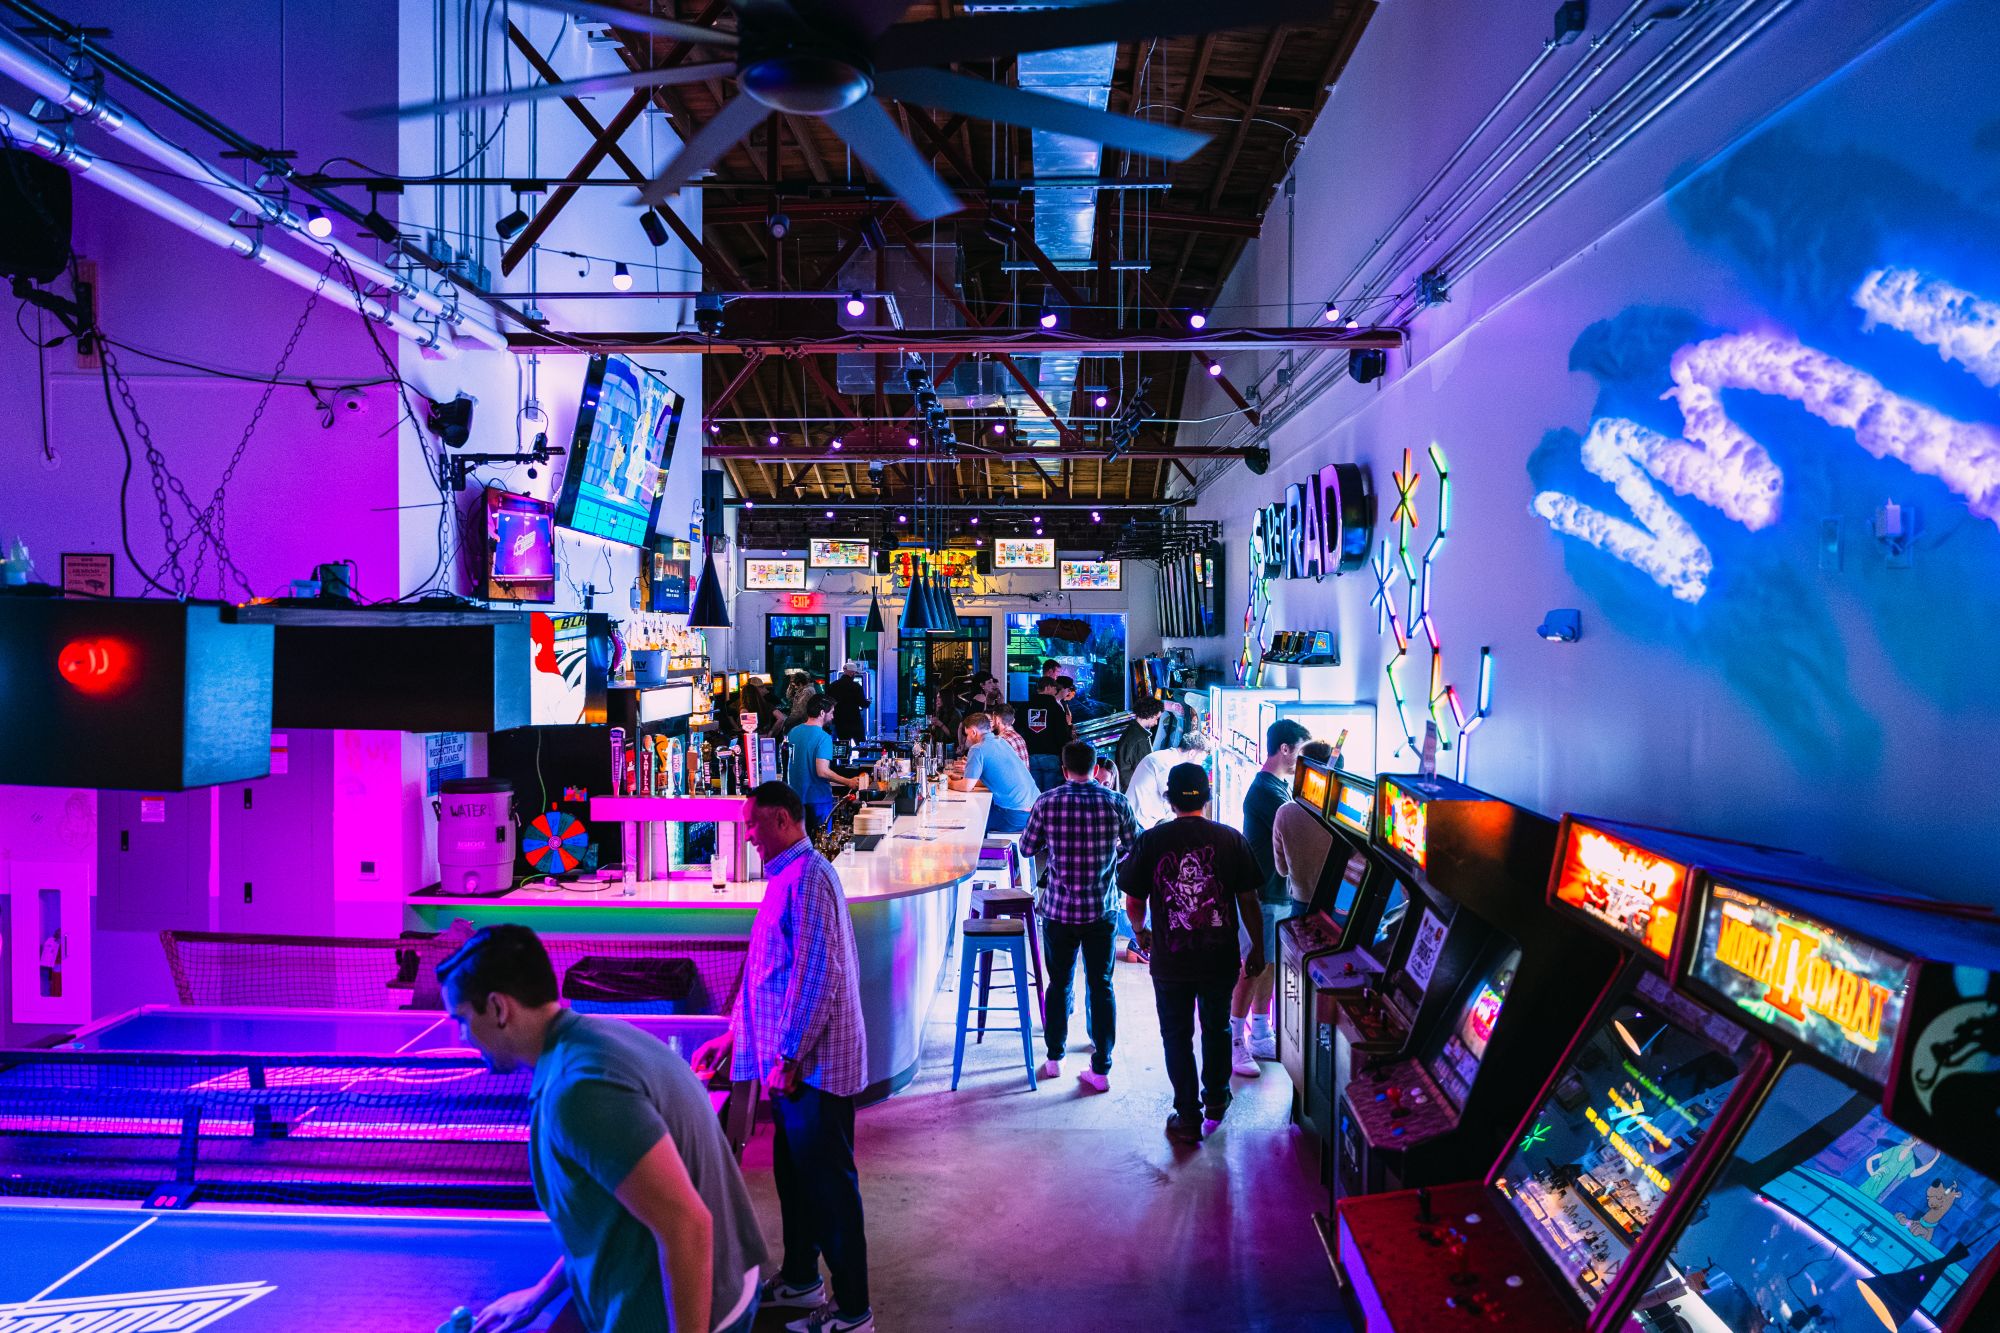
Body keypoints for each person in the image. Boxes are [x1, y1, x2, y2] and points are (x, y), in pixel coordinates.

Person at [441, 925, 768, 1333]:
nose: (462, 1036)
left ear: (498, 1008)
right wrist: (539, 1294)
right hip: (730, 1281)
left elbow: (687, 1225)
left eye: (462, 1019)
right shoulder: (599, 1036)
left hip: (701, 1311)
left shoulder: (578, 1090)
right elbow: (614, 1207)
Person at [692, 784, 874, 1333]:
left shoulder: (811, 877)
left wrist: (790, 1055)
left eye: (750, 824)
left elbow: (819, 974)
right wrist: (735, 1036)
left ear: (777, 820)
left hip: (814, 1067)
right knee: (794, 1179)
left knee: (828, 1187)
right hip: (790, 1063)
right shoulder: (786, 876)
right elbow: (769, 972)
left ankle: (853, 1312)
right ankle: (801, 1280)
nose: (746, 834)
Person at [1120, 764, 1267, 1144]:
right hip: (1220, 959)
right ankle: (1216, 1102)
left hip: (1170, 960)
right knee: (1216, 1029)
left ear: (1168, 799)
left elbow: (1134, 901)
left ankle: (1187, 1113)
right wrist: (1259, 948)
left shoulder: (1151, 841)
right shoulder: (1231, 839)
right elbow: (1249, 899)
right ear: (1208, 795)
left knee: (1176, 1034)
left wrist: (1140, 933)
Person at [1019, 740, 1141, 1091]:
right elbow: (1136, 844)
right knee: (1101, 985)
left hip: (1058, 909)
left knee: (1059, 983)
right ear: (1095, 769)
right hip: (1102, 909)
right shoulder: (1116, 802)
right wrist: (1112, 853)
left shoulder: (1048, 801)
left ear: (1063, 768)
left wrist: (1052, 842)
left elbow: (1028, 847)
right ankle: (1101, 1066)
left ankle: (1055, 1057)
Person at [1232, 718, 1312, 1077]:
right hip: (1264, 893)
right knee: (1253, 965)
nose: (1302, 761)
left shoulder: (1276, 787)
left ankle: (1261, 1028)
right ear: (1285, 749)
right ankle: (1235, 1038)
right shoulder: (1268, 791)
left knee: (1270, 965)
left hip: (1278, 893)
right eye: (1300, 752)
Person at [784, 695, 864, 835]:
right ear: (822, 713)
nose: (833, 717)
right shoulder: (823, 738)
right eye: (831, 712)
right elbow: (822, 771)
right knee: (821, 845)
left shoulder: (793, 732)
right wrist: (848, 781)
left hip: (795, 800)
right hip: (817, 800)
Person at [1273, 740, 1340, 906]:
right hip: (1341, 906)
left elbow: (1282, 870)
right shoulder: (1346, 815)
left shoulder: (1286, 812)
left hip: (1301, 903)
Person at [948, 711, 1039, 834]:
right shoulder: (1001, 742)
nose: (967, 738)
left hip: (1016, 816)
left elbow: (967, 786)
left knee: (968, 822)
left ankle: (978, 852)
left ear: (974, 732)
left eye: (967, 734)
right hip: (1035, 811)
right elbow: (992, 780)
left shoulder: (977, 749)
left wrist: (948, 782)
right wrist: (959, 780)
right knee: (981, 810)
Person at [1127, 729, 1211, 829]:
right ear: (1192, 753)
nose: (1200, 764)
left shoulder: (1167, 757)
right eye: (1200, 759)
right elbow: (1171, 804)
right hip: (1140, 824)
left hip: (1142, 821)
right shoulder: (1166, 764)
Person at [1020, 676, 1074, 792]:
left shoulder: (1025, 707)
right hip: (1051, 756)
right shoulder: (1055, 708)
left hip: (1031, 755)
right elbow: (1062, 734)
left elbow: (1019, 730)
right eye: (1055, 688)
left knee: (1035, 794)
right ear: (1048, 687)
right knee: (1050, 794)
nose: (1056, 691)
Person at [1114, 697, 1165, 790]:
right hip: (1136, 790)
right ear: (1149, 715)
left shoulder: (1132, 731)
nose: (1156, 722)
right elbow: (1146, 772)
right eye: (1156, 718)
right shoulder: (1139, 740)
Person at [825, 661, 868, 744]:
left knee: (844, 747)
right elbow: (862, 703)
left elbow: (828, 702)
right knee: (861, 747)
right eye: (855, 673)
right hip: (855, 721)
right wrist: (868, 702)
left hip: (840, 722)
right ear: (852, 673)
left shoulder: (833, 685)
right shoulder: (856, 686)